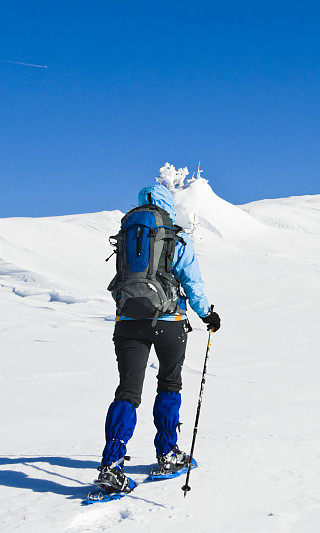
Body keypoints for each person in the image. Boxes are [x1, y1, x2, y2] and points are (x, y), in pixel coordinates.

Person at [94, 183, 221, 494]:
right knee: (169, 383)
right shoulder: (175, 237)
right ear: (168, 205)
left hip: (128, 322)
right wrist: (207, 315)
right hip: (170, 323)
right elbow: (192, 281)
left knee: (127, 392)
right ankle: (167, 454)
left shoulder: (127, 234)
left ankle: (111, 467)